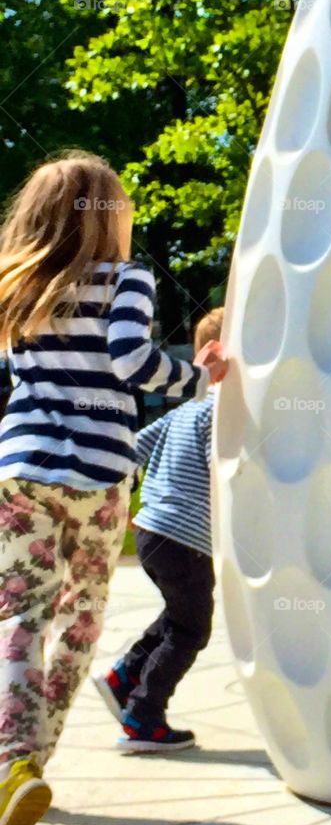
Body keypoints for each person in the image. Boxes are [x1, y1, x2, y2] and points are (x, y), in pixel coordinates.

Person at [0, 152, 227, 825]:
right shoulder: (127, 280)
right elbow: (134, 364)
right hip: (96, 476)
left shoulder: (17, 287)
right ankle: (31, 764)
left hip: (20, 470)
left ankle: (9, 763)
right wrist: (198, 375)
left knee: (20, 616)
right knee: (79, 622)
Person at [95, 308, 223, 754]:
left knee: (178, 616)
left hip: (151, 529)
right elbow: (221, 471)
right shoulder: (221, 413)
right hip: (184, 539)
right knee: (192, 630)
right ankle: (143, 718)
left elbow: (134, 449)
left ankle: (125, 675)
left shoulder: (187, 409)